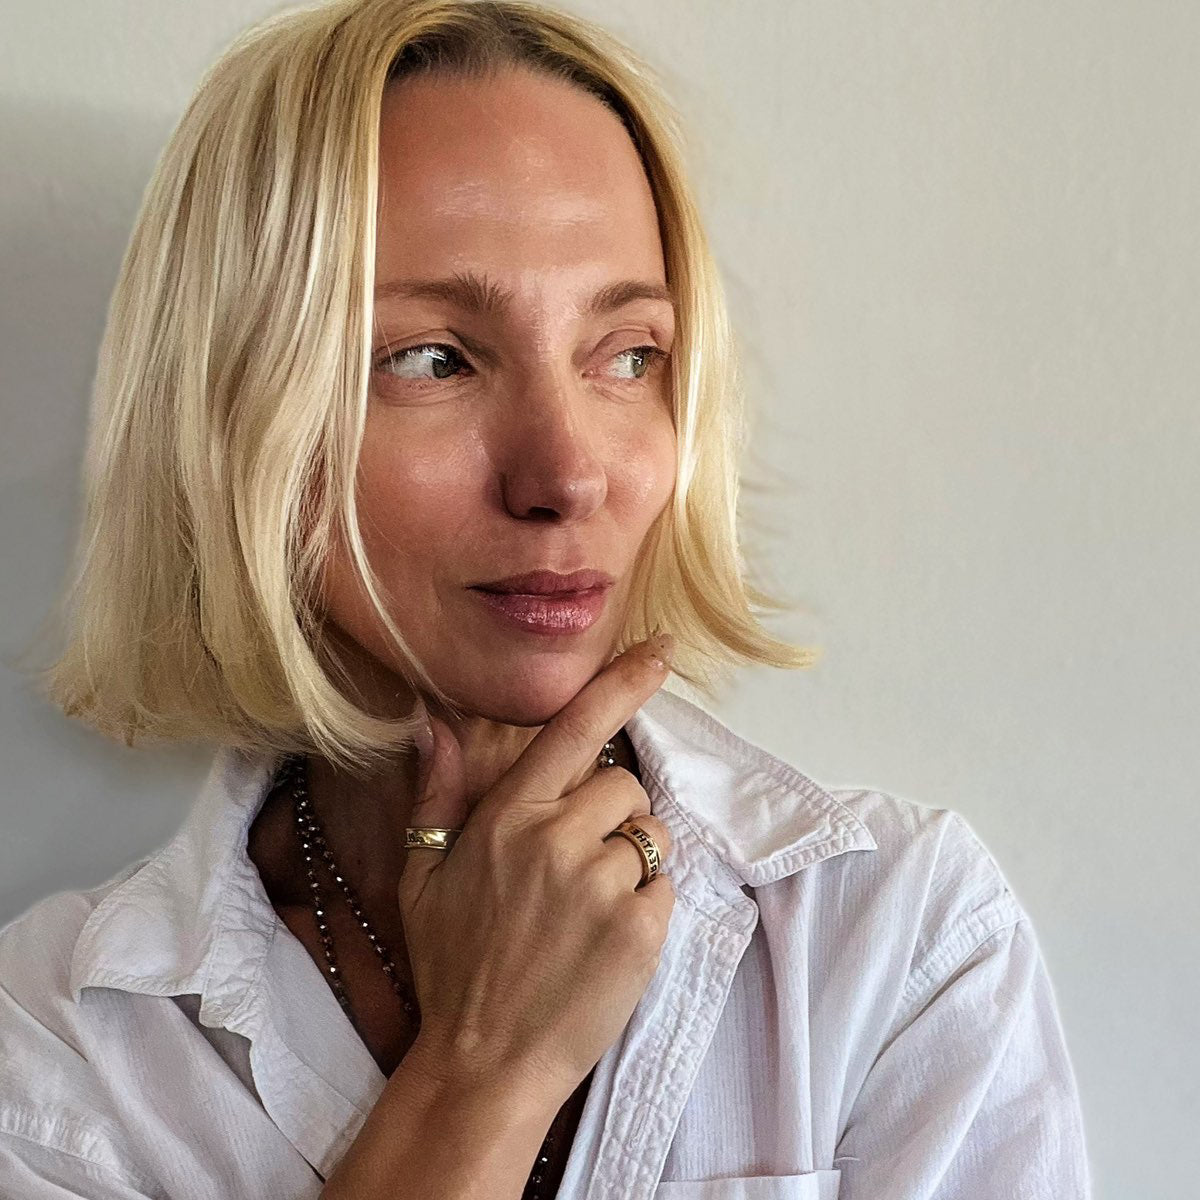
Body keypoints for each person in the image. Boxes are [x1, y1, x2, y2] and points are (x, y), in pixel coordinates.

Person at [0, 1, 1093, 1197]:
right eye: (433, 359)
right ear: (230, 411)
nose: (568, 475)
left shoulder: (897, 937)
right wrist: (483, 1072)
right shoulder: (57, 1056)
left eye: (628, 355)